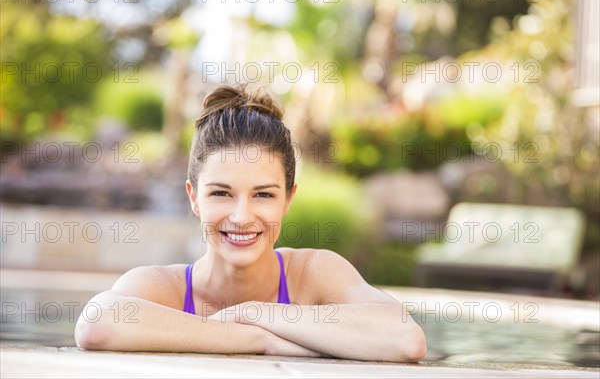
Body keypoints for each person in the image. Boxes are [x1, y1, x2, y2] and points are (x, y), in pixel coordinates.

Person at [75, 84, 426, 362]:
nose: (242, 217)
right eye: (221, 193)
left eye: (263, 195)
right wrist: (258, 339)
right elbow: (97, 323)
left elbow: (405, 337)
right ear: (194, 197)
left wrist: (255, 312)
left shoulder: (314, 274)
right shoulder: (164, 289)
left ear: (288, 198)